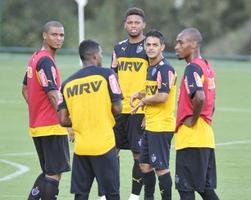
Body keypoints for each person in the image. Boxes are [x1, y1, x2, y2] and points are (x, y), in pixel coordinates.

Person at [58, 39, 123, 200]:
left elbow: (63, 120)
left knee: (81, 193)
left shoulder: (66, 84)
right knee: (112, 192)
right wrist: (101, 115)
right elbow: (118, 108)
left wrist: (81, 119)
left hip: (81, 147)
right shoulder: (107, 75)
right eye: (101, 54)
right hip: (104, 145)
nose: (101, 57)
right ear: (94, 56)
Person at [21, 21, 70, 200]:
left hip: (37, 125)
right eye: (54, 35)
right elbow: (53, 94)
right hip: (51, 125)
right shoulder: (46, 61)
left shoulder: (35, 57)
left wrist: (36, 109)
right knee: (54, 173)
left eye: (61, 35)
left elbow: (25, 89)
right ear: (44, 35)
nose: (58, 39)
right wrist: (66, 119)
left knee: (48, 171)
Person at [111, 7, 154, 200]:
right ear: (125, 25)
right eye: (130, 22)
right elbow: (112, 77)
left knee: (138, 155)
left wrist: (148, 110)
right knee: (112, 153)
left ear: (143, 24)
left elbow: (156, 80)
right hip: (119, 109)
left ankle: (134, 196)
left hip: (140, 110)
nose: (133, 26)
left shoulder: (150, 47)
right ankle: (110, 194)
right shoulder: (118, 48)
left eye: (137, 22)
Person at [174, 28, 220, 200]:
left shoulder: (192, 68)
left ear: (194, 44)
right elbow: (211, 101)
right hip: (206, 136)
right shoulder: (206, 66)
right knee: (205, 189)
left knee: (186, 189)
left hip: (192, 138)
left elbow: (199, 96)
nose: (177, 46)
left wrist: (193, 119)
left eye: (181, 42)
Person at [130, 30, 176, 200]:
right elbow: (153, 92)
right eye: (148, 44)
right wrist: (140, 94)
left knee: (161, 168)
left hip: (161, 126)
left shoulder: (165, 68)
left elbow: (163, 96)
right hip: (150, 124)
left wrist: (143, 102)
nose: (150, 48)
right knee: (144, 165)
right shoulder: (151, 67)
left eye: (155, 45)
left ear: (162, 47)